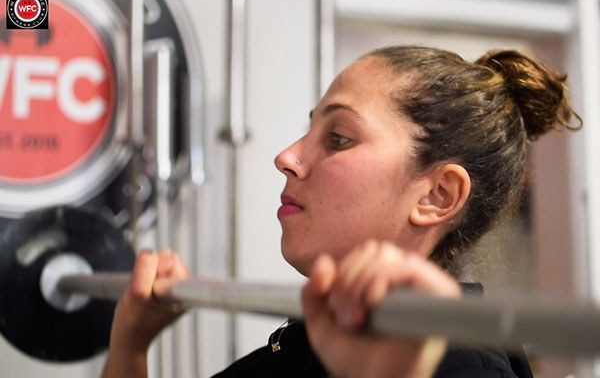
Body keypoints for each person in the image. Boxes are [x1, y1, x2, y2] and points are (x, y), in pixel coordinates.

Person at [102, 46, 581, 378]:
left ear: (437, 195)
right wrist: (130, 343)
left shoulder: (463, 368)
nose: (286, 156)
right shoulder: (311, 343)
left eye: (338, 139)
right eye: (308, 131)